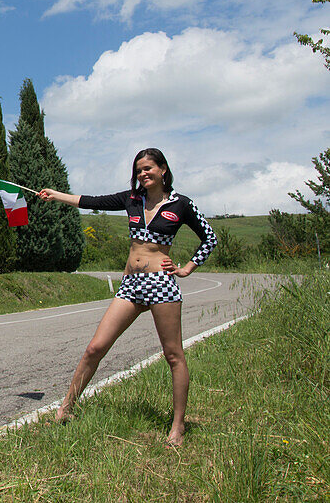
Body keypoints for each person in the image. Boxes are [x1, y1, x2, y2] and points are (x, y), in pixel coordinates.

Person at [37, 147, 217, 447]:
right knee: (95, 347)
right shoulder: (131, 199)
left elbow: (209, 237)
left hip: (162, 284)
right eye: (138, 170)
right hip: (131, 284)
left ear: (162, 169)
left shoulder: (181, 204)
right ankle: (66, 409)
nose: (143, 174)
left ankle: (177, 426)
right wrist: (56, 195)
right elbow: (92, 201)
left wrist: (186, 268)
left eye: (148, 168)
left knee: (173, 356)